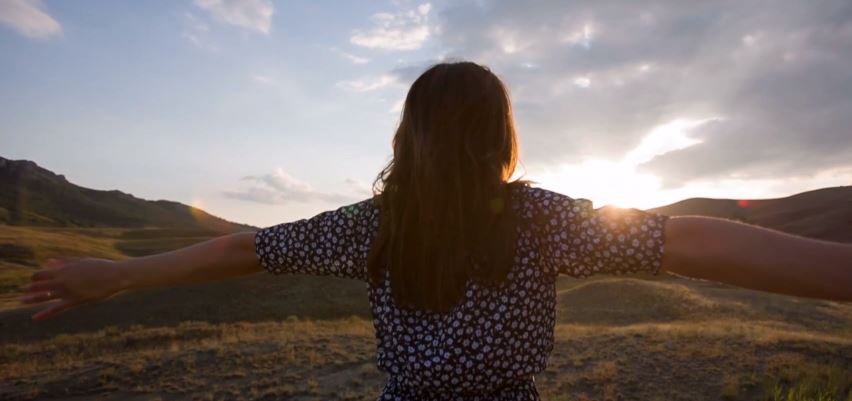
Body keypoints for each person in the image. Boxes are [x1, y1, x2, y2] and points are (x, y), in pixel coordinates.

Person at [20, 61, 852, 401]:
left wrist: (118, 275)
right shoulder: (538, 218)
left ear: (409, 137)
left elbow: (245, 249)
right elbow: (689, 239)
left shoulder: (374, 225)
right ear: (501, 139)